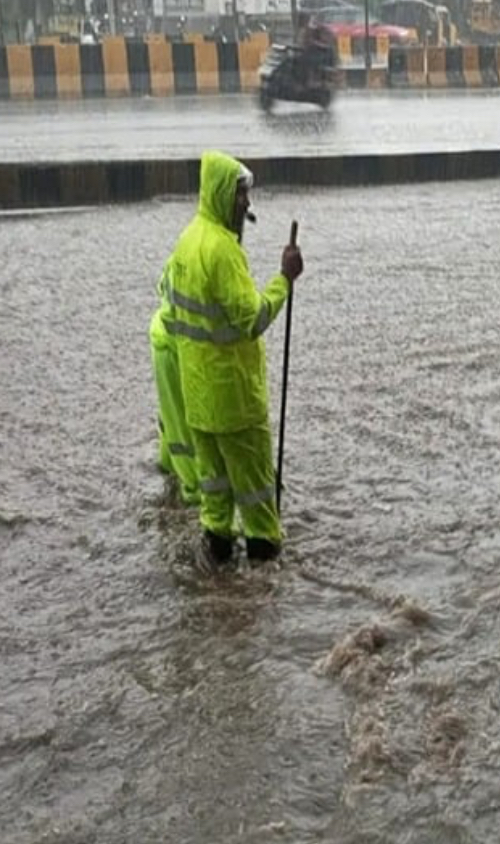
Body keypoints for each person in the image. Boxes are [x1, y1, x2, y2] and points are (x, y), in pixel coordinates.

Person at [161, 151, 303, 569]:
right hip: (236, 402)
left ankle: (217, 583)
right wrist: (284, 280)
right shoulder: (222, 251)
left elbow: (172, 307)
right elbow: (252, 318)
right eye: (241, 195)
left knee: (216, 499)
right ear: (224, 193)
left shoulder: (187, 241)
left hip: (199, 401)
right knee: (259, 502)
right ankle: (265, 589)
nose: (246, 205)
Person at [149, 271, 200, 507]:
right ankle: (191, 496)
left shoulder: (185, 249)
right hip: (177, 347)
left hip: (162, 338)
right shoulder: (218, 256)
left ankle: (169, 473)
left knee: (171, 416)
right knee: (184, 426)